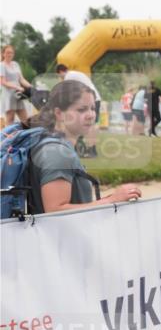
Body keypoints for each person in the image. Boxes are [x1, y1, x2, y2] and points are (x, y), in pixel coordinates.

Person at [23, 80, 142, 213]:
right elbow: (55, 211)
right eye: (81, 110)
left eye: (92, 108)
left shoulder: (54, 145)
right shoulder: (57, 154)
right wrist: (111, 200)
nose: (91, 115)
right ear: (59, 113)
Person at [57, 65, 102, 157]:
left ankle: (90, 150)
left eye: (59, 75)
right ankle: (88, 148)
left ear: (61, 72)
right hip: (94, 98)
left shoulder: (68, 76)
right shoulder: (76, 74)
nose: (60, 77)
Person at [2, 45, 33, 126]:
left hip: (19, 94)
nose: (9, 54)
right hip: (9, 95)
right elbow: (3, 82)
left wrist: (31, 87)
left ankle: (27, 137)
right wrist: (17, 87)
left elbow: (21, 79)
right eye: (7, 52)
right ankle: (6, 138)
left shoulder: (15, 64)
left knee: (25, 120)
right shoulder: (1, 65)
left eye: (11, 53)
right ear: (3, 54)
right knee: (10, 120)